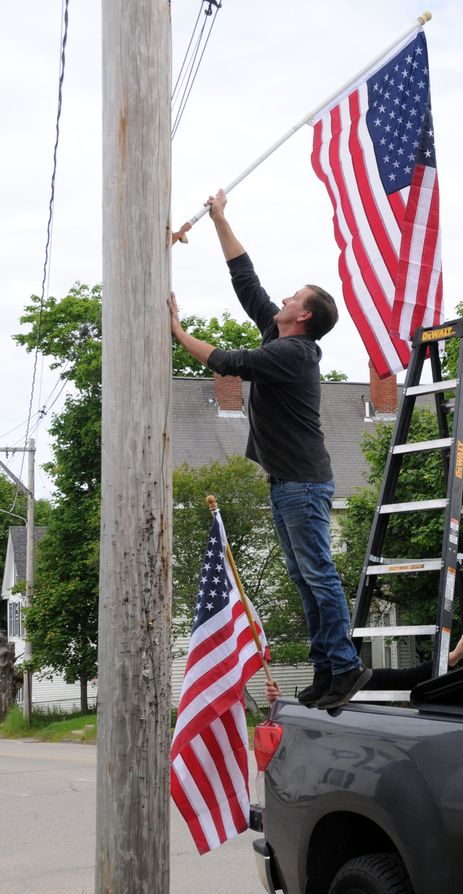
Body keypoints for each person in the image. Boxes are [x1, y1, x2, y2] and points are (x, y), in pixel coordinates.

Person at [168, 189, 371, 711]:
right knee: (305, 578)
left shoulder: (293, 354)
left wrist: (177, 331)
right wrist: (219, 218)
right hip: (288, 484)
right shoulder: (279, 335)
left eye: (291, 300)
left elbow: (225, 360)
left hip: (304, 484)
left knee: (318, 574)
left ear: (302, 318)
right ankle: (327, 668)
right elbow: (246, 280)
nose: (281, 301)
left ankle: (345, 665)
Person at [265, 634, 463, 704]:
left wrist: (452, 658)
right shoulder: (317, 693)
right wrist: (279, 700)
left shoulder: (367, 679)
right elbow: (296, 712)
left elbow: (409, 677)